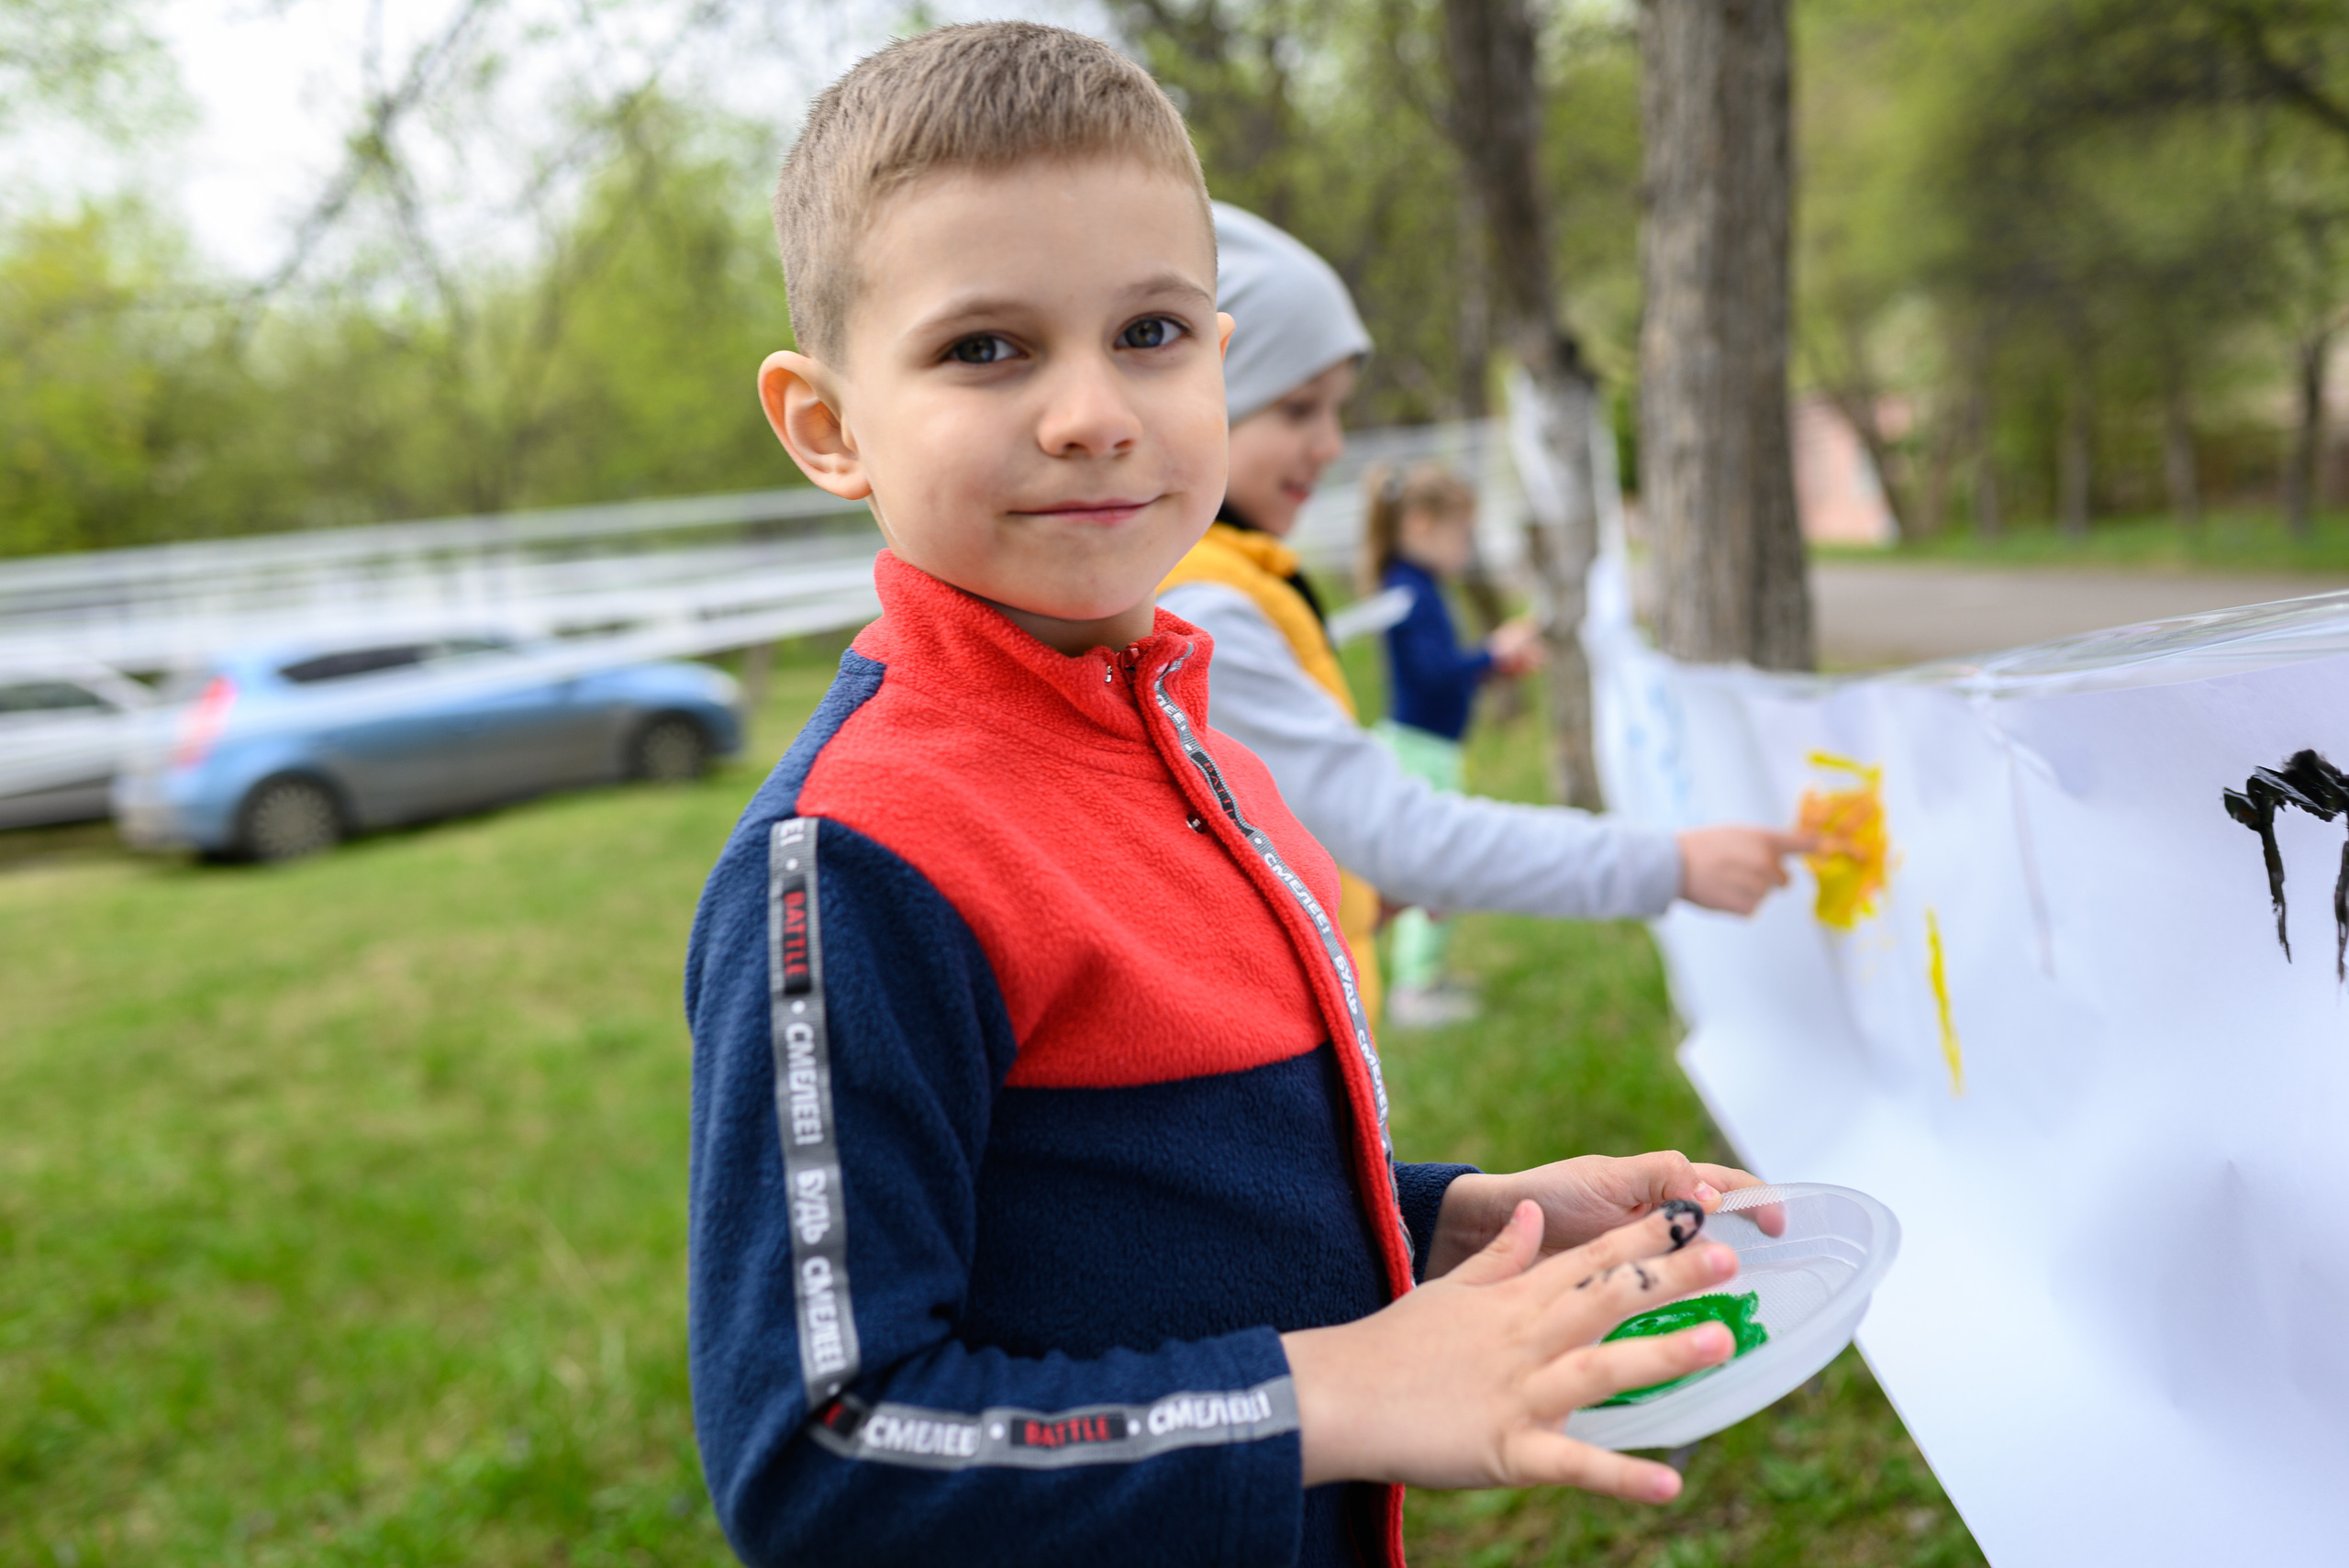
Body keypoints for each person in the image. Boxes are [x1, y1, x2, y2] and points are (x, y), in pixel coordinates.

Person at [687, 23, 1761, 1568]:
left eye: (1152, 332)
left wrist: (1450, 1214)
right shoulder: (849, 860)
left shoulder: (1204, 746)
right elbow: (823, 1451)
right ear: (827, 424)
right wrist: (1336, 1386)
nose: (1092, 412)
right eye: (986, 347)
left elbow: (1140, 1209)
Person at [1158, 206, 1809, 1027]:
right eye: (1297, 410)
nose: (1330, 444)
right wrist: (1671, 864)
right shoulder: (1201, 614)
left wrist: (1358, 882)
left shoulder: (1233, 584)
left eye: (1336, 410)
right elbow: (1404, 831)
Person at [1360, 461, 1542, 1024]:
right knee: (1431, 870)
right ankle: (1415, 991)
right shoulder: (1408, 592)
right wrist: (1493, 652)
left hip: (1430, 748)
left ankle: (1425, 977)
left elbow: (1441, 671)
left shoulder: (1419, 587)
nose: (1469, 547)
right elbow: (1436, 672)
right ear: (1420, 525)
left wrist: (1493, 665)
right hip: (1419, 752)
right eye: (1463, 533)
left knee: (1433, 867)